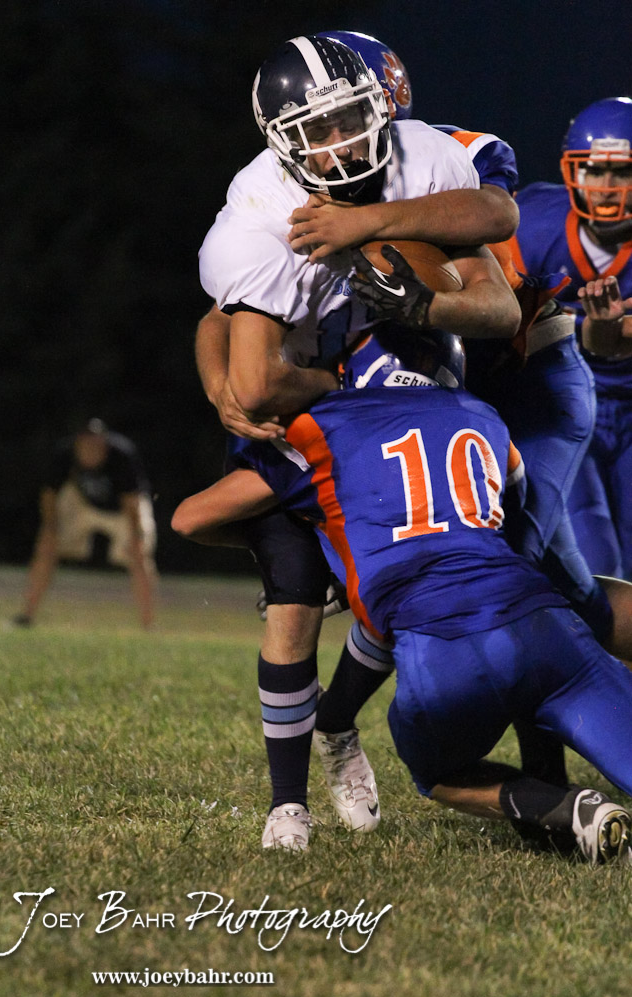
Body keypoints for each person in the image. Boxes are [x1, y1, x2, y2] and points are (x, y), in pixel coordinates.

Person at [196, 32, 521, 850]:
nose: (339, 145)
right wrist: (254, 388)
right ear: (281, 144)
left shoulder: (421, 154)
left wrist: (368, 228)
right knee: (294, 597)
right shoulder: (256, 216)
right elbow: (247, 372)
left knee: (398, 581)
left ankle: (337, 722)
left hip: (408, 391)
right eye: (316, 131)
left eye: (349, 120)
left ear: (380, 105)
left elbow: (498, 247)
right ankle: (286, 804)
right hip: (308, 407)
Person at [175, 325, 632, 865]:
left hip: (444, 652)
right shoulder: (485, 416)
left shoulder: (323, 426)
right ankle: (554, 780)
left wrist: (317, 539)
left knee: (437, 774)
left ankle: (561, 806)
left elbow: (189, 519)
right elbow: (513, 507)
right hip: (549, 631)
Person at [511, 97, 632, 581]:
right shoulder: (531, 223)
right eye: (594, 170)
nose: (605, 187)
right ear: (572, 171)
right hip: (561, 404)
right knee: (597, 564)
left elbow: (610, 342)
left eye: (621, 171)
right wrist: (590, 330)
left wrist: (598, 331)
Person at [13, 418, 157, 629]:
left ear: (104, 444)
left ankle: (148, 624)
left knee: (140, 554)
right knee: (47, 545)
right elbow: (49, 494)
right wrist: (51, 528)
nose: (91, 450)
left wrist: (136, 536)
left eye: (96, 445)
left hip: (123, 510)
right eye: (86, 444)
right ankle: (26, 616)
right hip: (84, 505)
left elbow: (132, 501)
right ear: (77, 443)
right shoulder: (65, 453)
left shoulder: (121, 455)